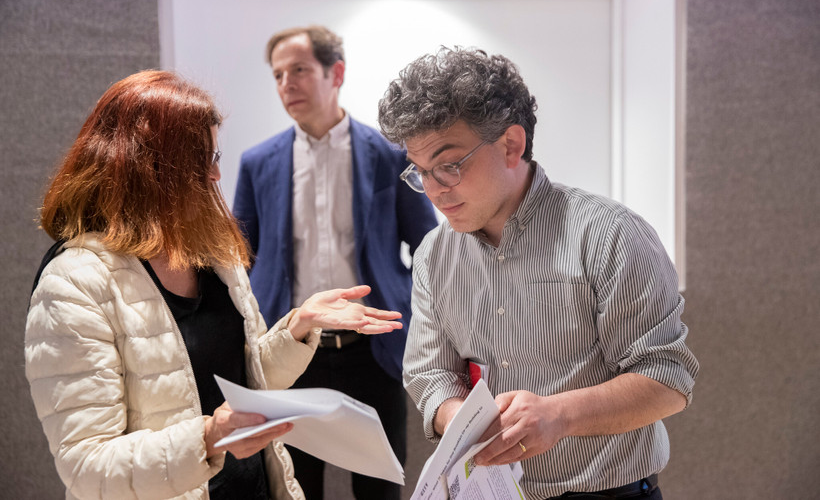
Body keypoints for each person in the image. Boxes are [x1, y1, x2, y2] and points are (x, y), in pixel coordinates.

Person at [24, 70, 404, 500]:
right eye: (197, 162)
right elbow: (86, 466)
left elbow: (246, 377)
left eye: (215, 156)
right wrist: (207, 438)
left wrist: (298, 326)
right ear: (142, 169)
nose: (213, 177)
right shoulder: (75, 283)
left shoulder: (212, 257)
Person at [377, 47, 700, 500]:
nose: (434, 191)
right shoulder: (435, 253)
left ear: (511, 144)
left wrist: (559, 414)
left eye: (449, 166)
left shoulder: (608, 234)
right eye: (422, 172)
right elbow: (430, 373)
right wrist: (463, 422)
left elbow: (668, 378)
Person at [233, 25, 438, 500]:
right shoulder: (257, 162)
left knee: (381, 487)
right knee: (295, 488)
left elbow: (429, 249)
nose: (287, 83)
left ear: (336, 72)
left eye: (299, 70)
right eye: (278, 74)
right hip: (291, 357)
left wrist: (417, 322)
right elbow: (239, 262)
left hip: (374, 353)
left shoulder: (390, 156)